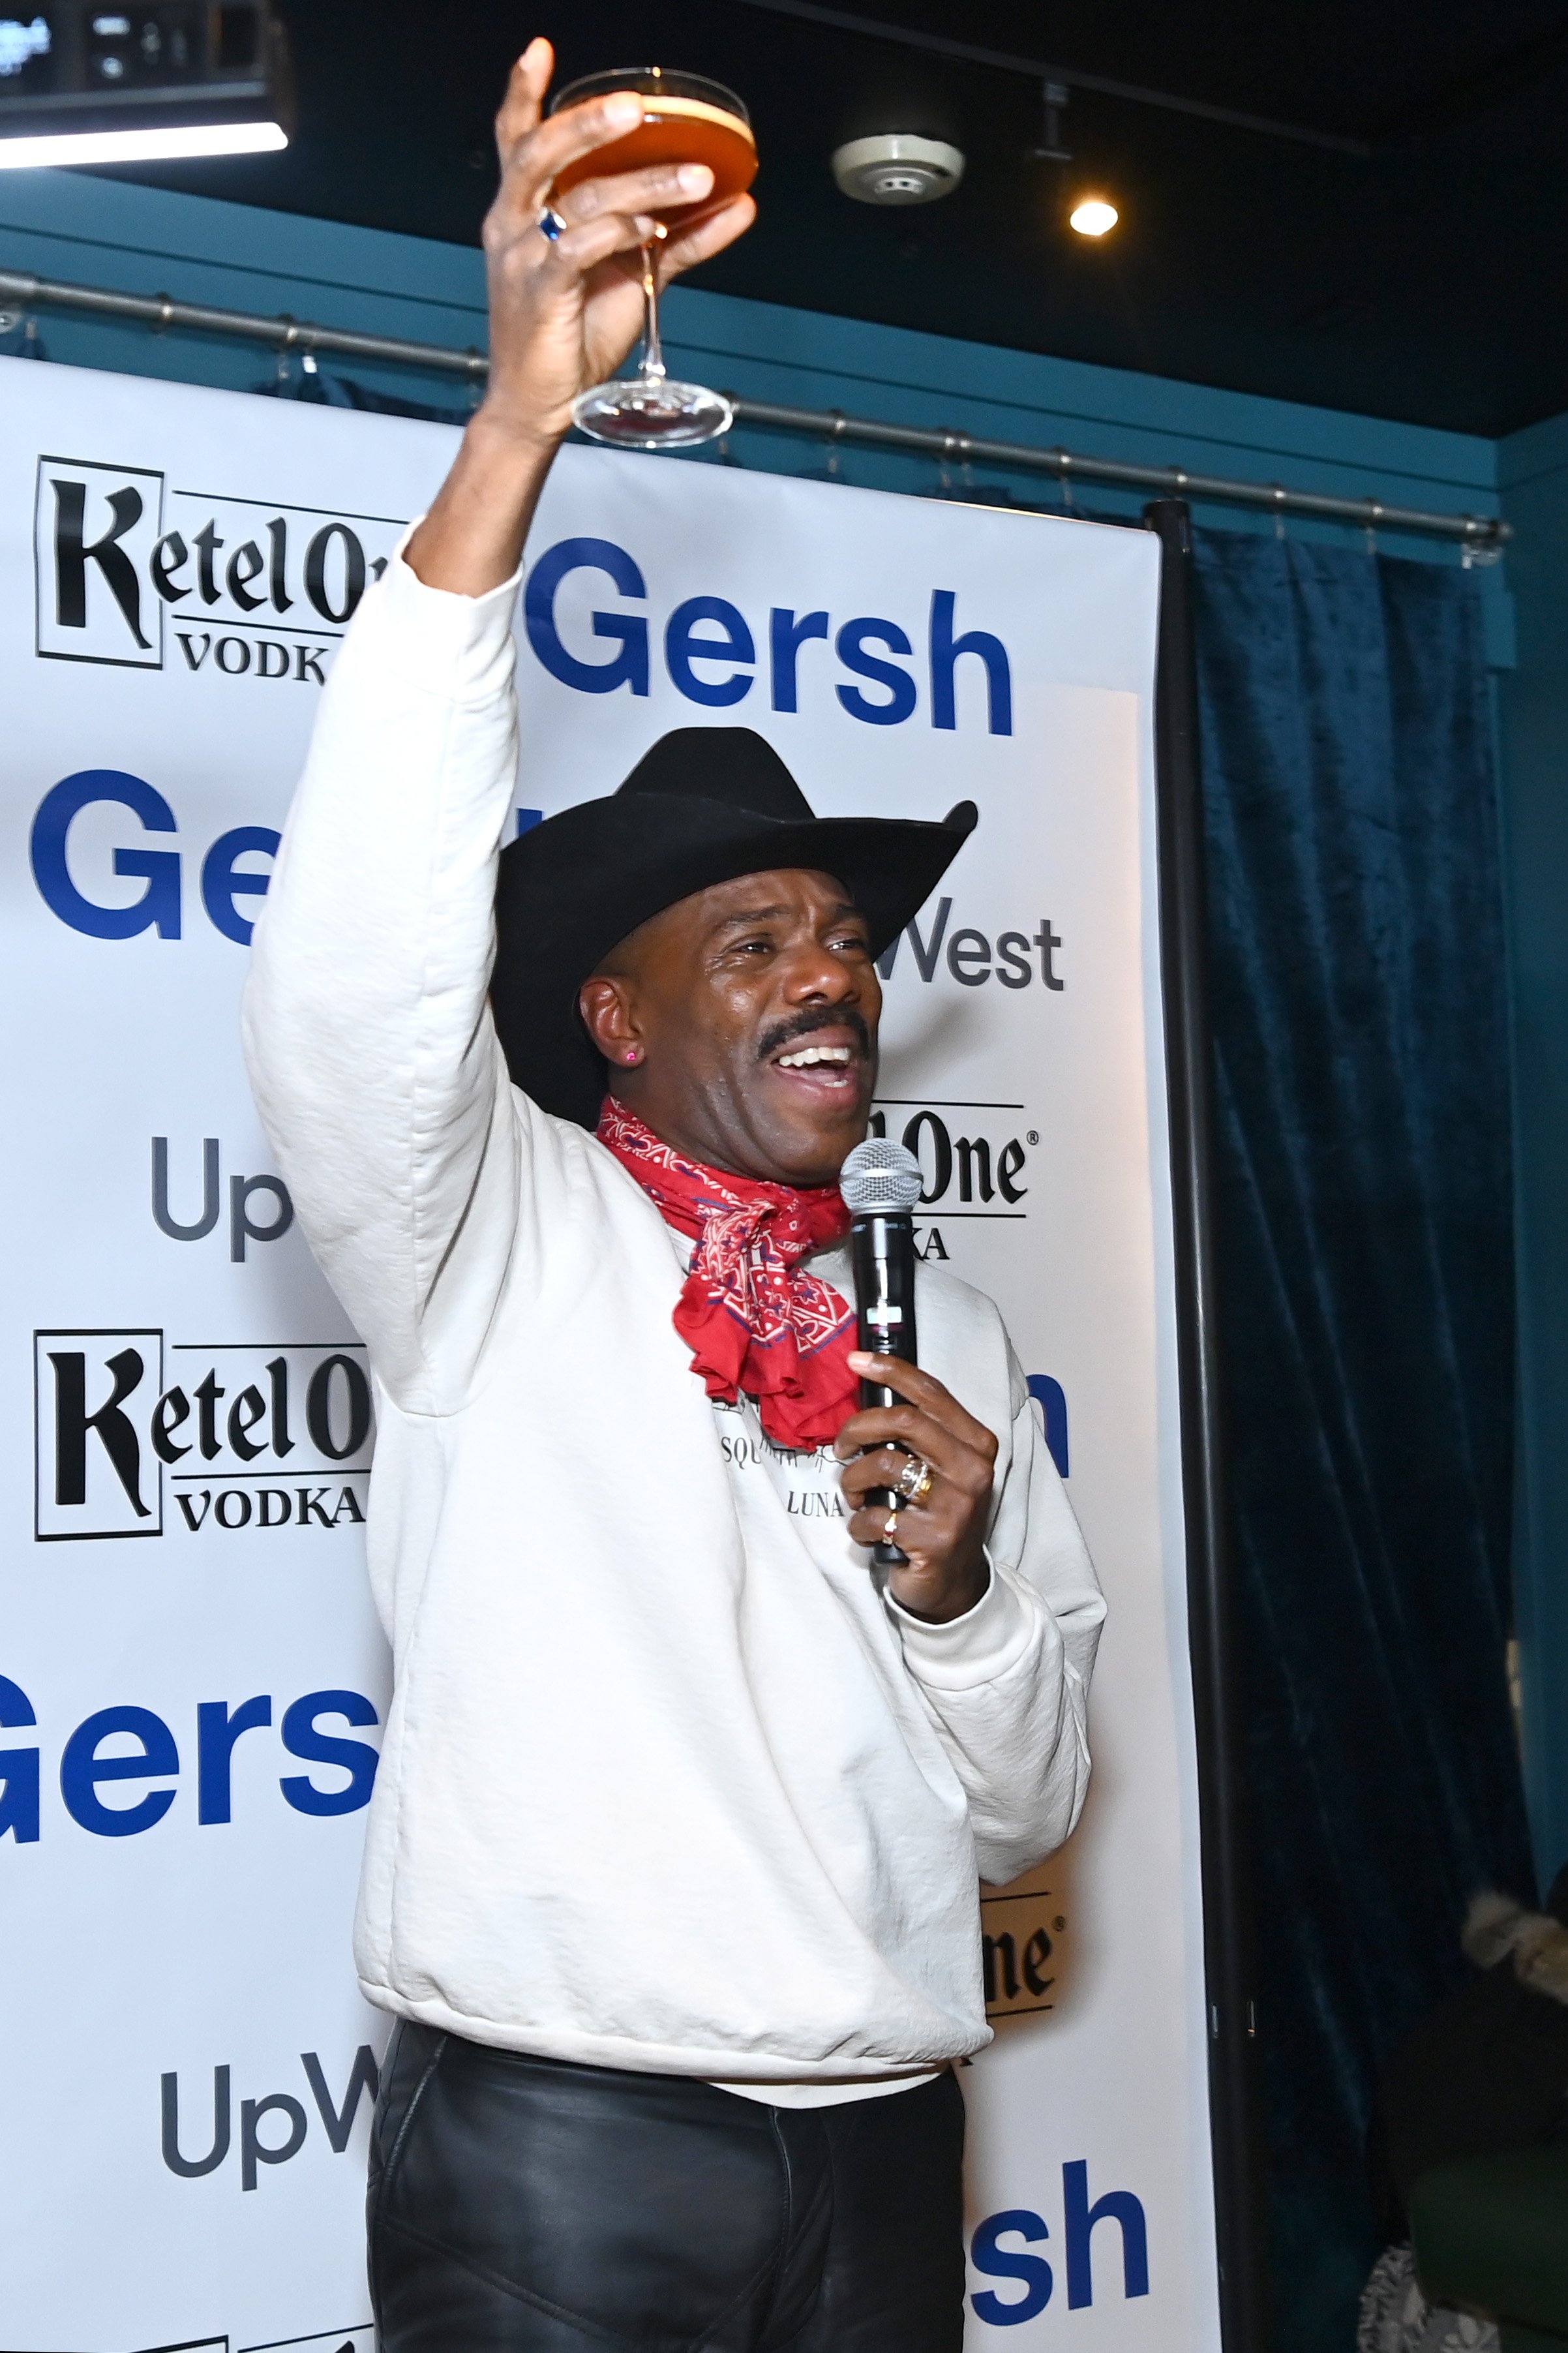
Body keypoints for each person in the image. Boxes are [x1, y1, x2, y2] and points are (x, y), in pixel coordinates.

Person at [243, 37, 1104, 2353]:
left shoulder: (959, 1337)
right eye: (752, 939)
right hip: (564, 2150)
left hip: (894, 2125)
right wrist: (516, 427)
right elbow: (349, 970)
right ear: (611, 1022)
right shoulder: (486, 1233)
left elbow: (1026, 1814)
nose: (829, 966)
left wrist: (961, 1592)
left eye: (843, 934)